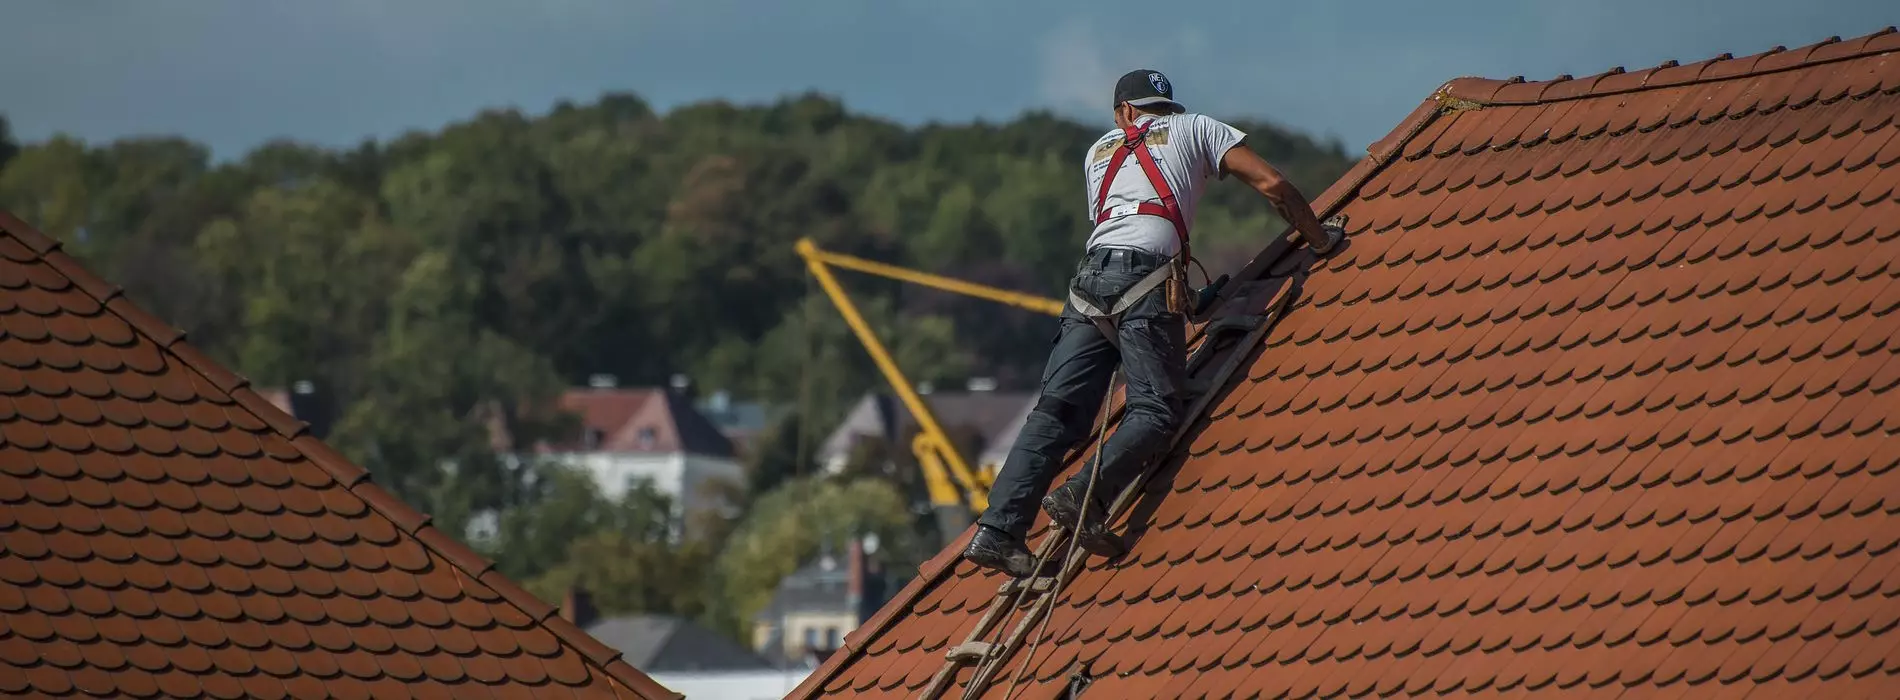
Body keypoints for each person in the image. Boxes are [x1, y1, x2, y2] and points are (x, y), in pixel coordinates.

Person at [962, 69, 1339, 577]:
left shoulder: (1098, 152)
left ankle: (998, 530)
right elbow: (1272, 184)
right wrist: (1319, 239)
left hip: (1089, 283)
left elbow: (1125, 222)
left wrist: (1182, 302)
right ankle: (1083, 498)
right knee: (1157, 409)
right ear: (1162, 108)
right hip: (1145, 278)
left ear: (1123, 113)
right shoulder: (1197, 128)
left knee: (1057, 413)